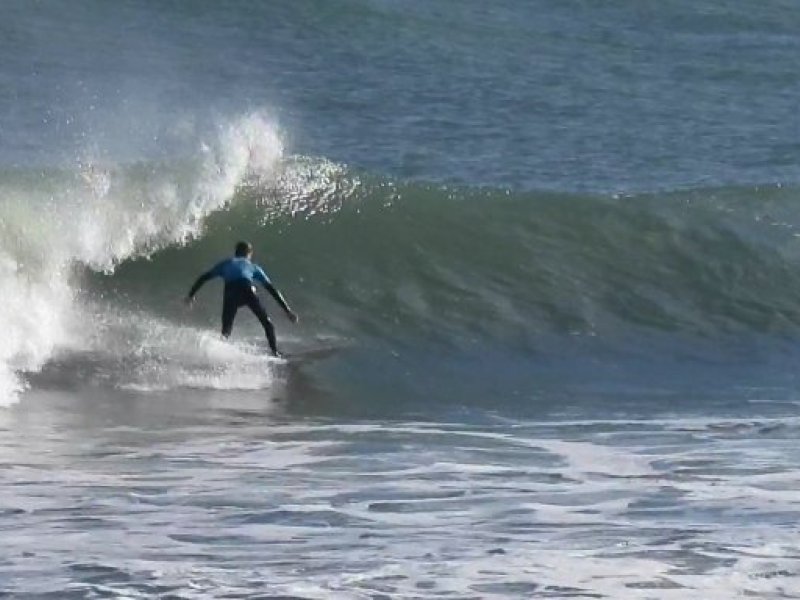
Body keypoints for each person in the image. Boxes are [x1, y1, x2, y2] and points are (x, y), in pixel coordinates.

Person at [185, 241, 298, 356]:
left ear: (236, 252)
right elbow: (272, 290)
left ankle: (219, 354)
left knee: (226, 328)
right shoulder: (253, 267)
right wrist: (287, 310)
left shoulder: (226, 263)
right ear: (249, 253)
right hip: (246, 290)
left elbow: (204, 277)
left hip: (231, 292)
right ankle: (275, 352)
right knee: (267, 323)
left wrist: (191, 295)